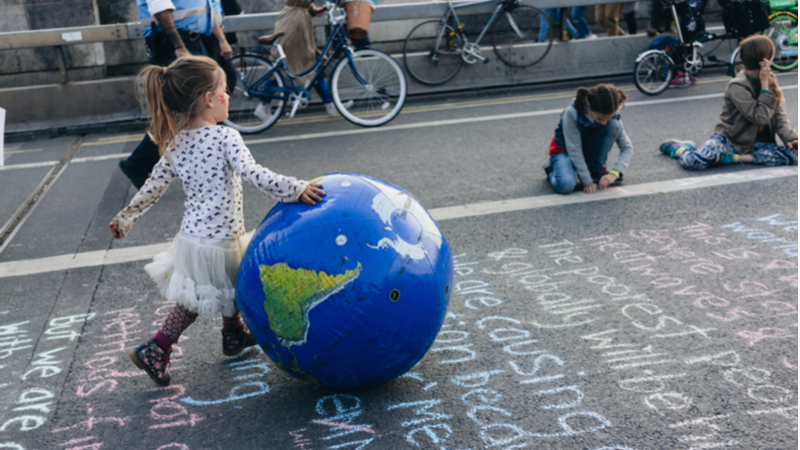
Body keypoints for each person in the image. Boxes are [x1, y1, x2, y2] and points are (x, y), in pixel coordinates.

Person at [109, 56, 326, 386]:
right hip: (219, 241)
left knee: (230, 287)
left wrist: (126, 218)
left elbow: (153, 185)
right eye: (224, 90)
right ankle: (156, 347)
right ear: (209, 99)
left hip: (194, 238)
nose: (229, 95)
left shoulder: (176, 142)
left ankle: (232, 335)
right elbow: (255, 175)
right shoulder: (226, 138)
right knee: (197, 301)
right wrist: (296, 189)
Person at [660, 35, 798, 170]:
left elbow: (778, 112)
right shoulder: (738, 86)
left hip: (756, 142)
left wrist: (790, 138)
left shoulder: (768, 79)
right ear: (765, 59)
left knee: (795, 156)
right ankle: (679, 148)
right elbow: (760, 117)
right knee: (695, 162)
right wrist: (764, 85)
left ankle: (730, 158)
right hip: (731, 140)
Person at [544, 84, 634, 194]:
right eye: (599, 118)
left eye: (608, 118)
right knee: (566, 185)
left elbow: (627, 147)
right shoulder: (572, 112)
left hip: (586, 149)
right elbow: (574, 150)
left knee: (614, 125)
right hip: (564, 151)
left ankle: (596, 168)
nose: (604, 122)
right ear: (589, 104)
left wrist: (615, 172)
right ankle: (552, 171)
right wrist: (587, 181)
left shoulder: (612, 111)